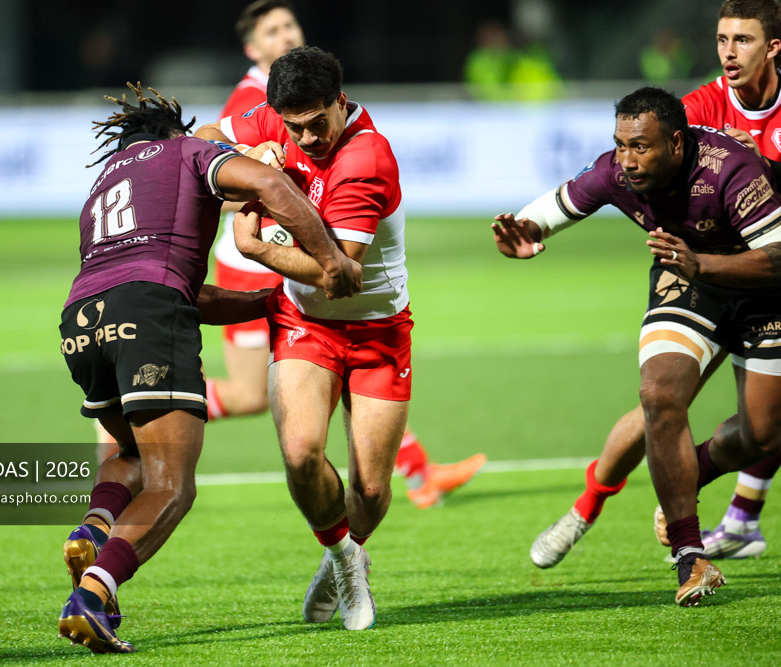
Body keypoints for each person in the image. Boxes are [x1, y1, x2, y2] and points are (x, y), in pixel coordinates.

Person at [57, 82, 361, 653]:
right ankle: (95, 593)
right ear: (174, 130)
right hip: (147, 317)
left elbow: (180, 290)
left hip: (82, 322)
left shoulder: (101, 190)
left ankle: (93, 529)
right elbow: (269, 184)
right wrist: (330, 261)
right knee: (172, 487)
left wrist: (263, 303)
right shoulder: (190, 151)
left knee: (130, 456)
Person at [493, 86, 781, 606]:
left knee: (763, 436)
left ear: (675, 142)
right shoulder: (615, 170)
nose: (627, 159)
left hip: (765, 293)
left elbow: (778, 258)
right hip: (690, 282)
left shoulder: (731, 169)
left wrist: (702, 263)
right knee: (658, 396)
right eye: (620, 144)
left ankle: (693, 469)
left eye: (640, 147)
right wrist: (525, 233)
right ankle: (690, 557)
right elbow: (553, 209)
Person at [198, 0, 485, 509]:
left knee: (342, 398)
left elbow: (339, 269)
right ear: (253, 48)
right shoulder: (258, 97)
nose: (285, 34)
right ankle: (153, 413)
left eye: (290, 24)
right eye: (273, 30)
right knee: (254, 398)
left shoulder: (359, 152)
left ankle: (413, 474)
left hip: (291, 265)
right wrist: (247, 166)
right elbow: (206, 148)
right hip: (252, 268)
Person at [195, 46, 413, 630]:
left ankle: (337, 553)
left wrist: (255, 247)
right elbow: (205, 134)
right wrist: (244, 151)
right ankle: (346, 559)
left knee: (369, 490)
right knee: (299, 455)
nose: (310, 137)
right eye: (296, 128)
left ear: (341, 102)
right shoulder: (276, 119)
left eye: (320, 122)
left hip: (378, 331)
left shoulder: (367, 157)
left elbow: (335, 273)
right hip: (305, 325)